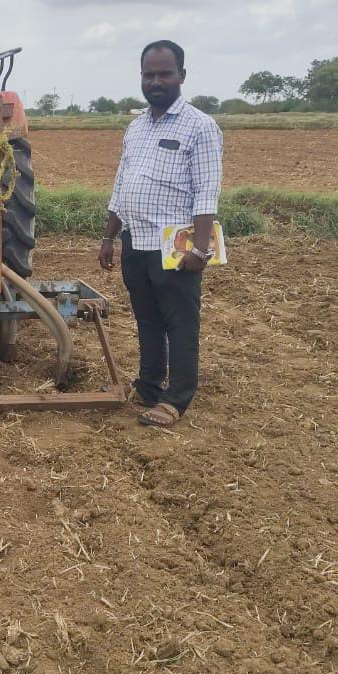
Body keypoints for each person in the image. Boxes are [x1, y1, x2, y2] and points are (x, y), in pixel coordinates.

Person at [98, 40, 223, 428]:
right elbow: (122, 184)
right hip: (135, 240)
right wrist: (108, 236)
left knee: (180, 321)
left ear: (181, 76)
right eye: (149, 74)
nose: (156, 81)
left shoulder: (200, 127)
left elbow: (207, 191)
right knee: (147, 319)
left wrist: (200, 250)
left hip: (175, 245)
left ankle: (177, 398)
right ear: (141, 77)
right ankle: (150, 384)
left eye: (164, 73)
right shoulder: (135, 127)